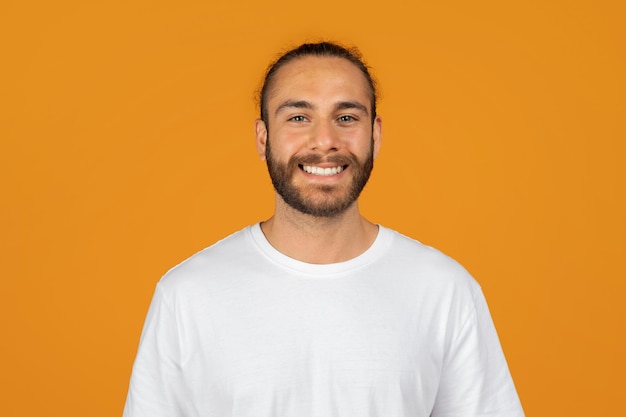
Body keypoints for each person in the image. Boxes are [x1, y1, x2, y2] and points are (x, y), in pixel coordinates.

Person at [123, 41, 524, 417]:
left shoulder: (444, 290)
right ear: (263, 139)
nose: (325, 140)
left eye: (346, 117)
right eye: (299, 117)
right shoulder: (188, 295)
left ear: (375, 135)